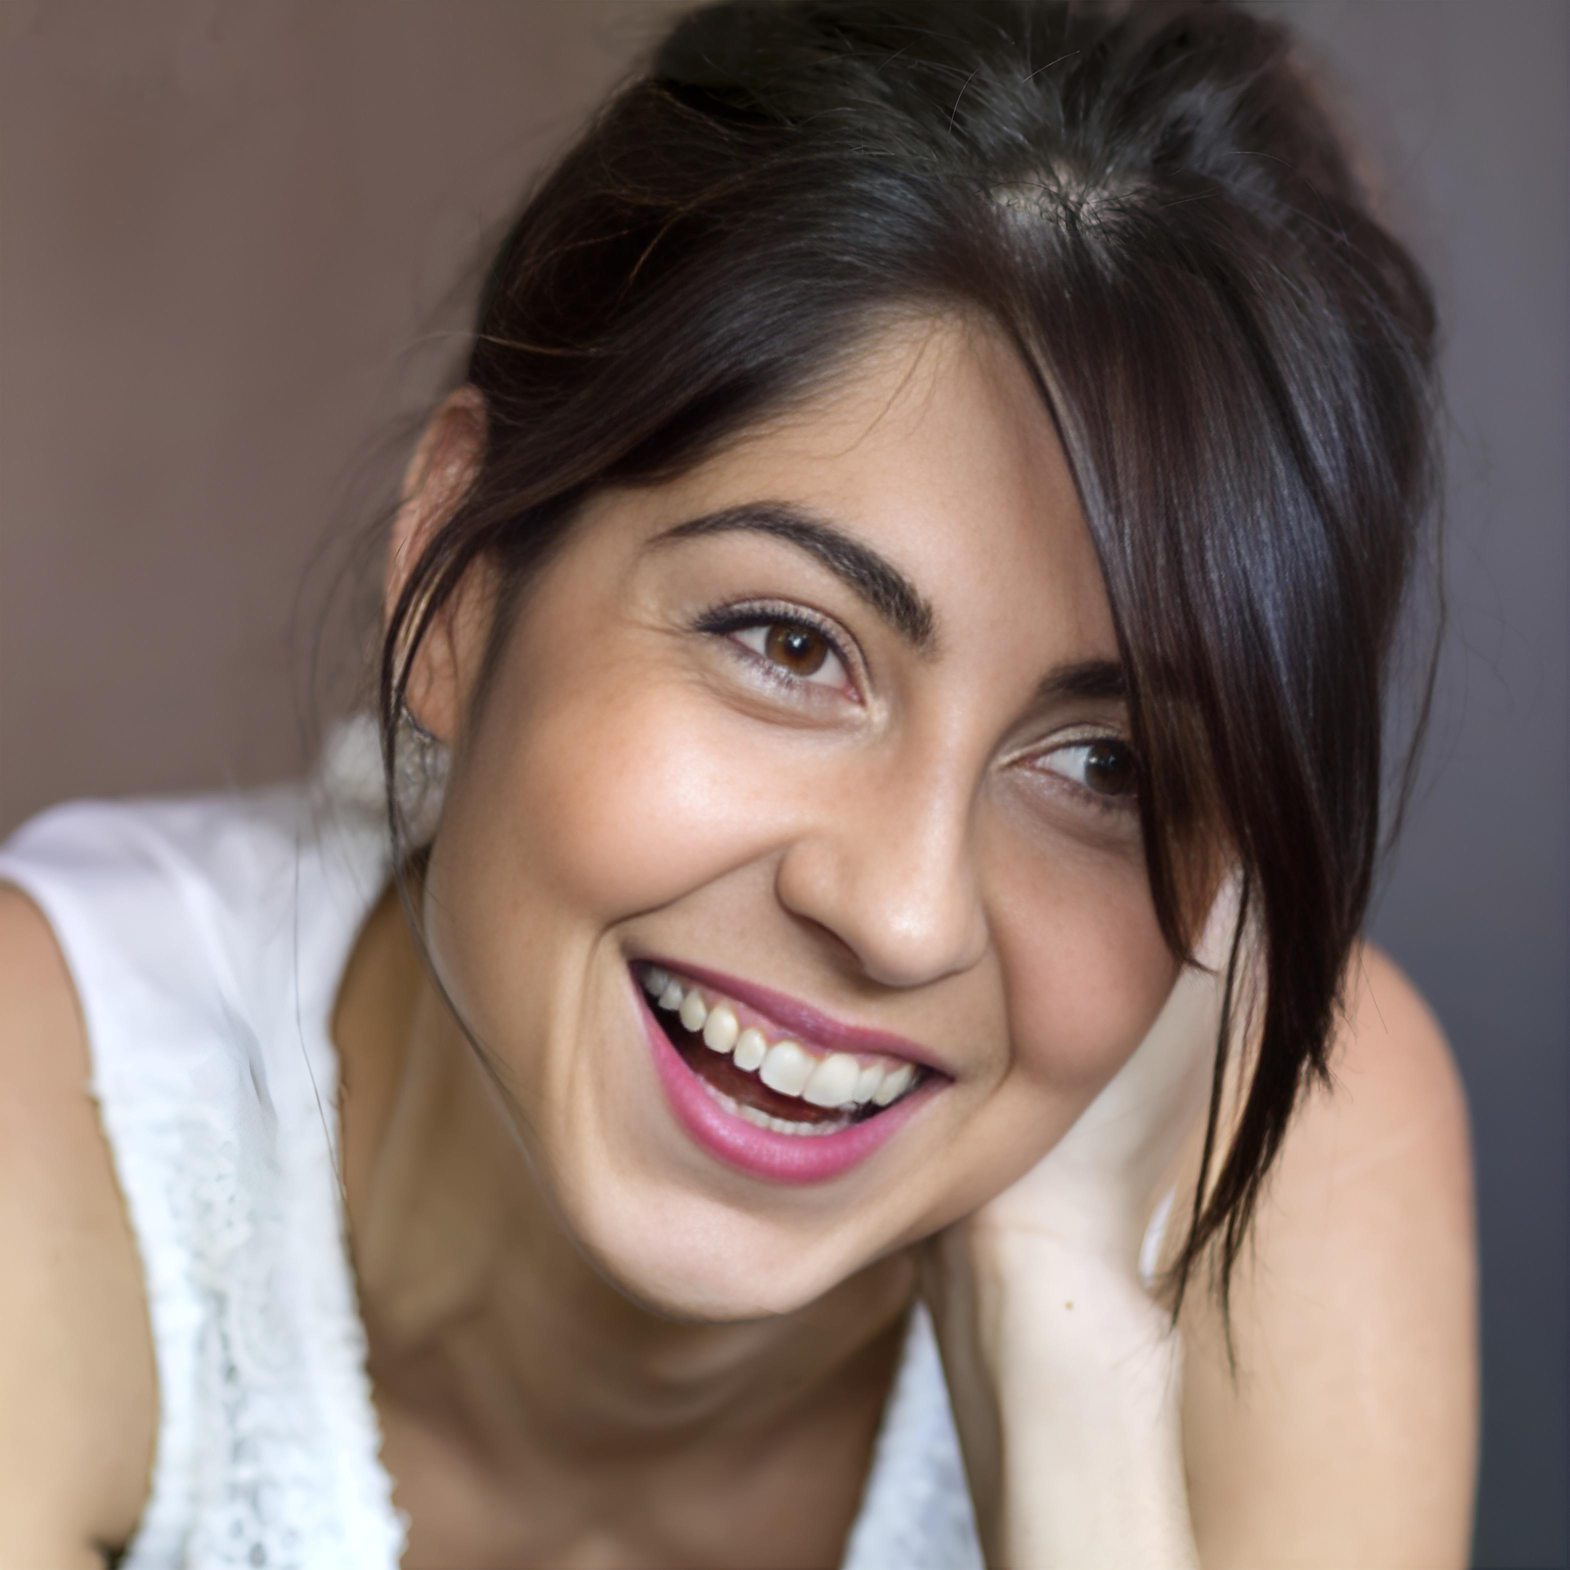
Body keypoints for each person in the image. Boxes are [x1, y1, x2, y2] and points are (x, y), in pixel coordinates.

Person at [0, 1, 1478, 1565]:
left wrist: (1073, 1390)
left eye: (1104, 765)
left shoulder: (1302, 1152)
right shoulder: (61, 1119)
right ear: (460, 569)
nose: (902, 915)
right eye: (787, 642)